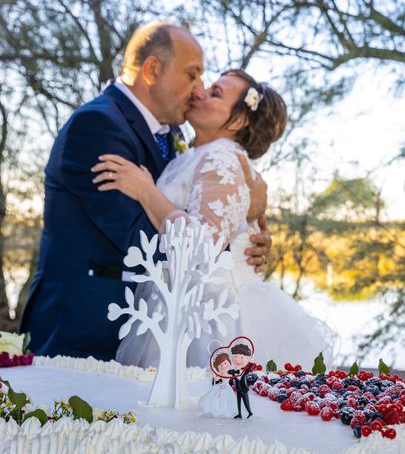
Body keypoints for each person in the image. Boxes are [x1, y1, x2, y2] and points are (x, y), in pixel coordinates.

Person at [19, 22, 271, 361]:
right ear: (152, 70)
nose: (198, 90)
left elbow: (210, 199)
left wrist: (242, 232)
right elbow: (140, 239)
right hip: (84, 326)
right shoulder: (98, 127)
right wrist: (226, 253)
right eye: (192, 75)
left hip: (144, 325)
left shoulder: (173, 136)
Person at [93, 69, 335, 370]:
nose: (200, 92)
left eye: (216, 93)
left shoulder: (221, 156)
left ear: (237, 121)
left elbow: (201, 248)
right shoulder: (198, 153)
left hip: (210, 315)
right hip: (181, 300)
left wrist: (145, 192)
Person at [198, 352, 237, 418]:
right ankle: (219, 411)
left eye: (225, 363)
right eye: (221, 365)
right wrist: (212, 372)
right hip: (221, 388)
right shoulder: (221, 374)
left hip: (228, 388)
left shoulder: (230, 374)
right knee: (218, 399)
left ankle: (228, 411)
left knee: (228, 400)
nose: (224, 366)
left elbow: (234, 380)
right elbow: (216, 379)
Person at [227, 343, 255, 419]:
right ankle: (239, 414)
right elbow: (228, 373)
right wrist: (233, 373)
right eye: (235, 357)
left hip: (244, 390)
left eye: (241, 358)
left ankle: (250, 412)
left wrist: (252, 361)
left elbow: (250, 367)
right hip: (238, 389)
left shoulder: (244, 371)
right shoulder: (235, 371)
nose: (238, 360)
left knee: (246, 403)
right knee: (238, 402)